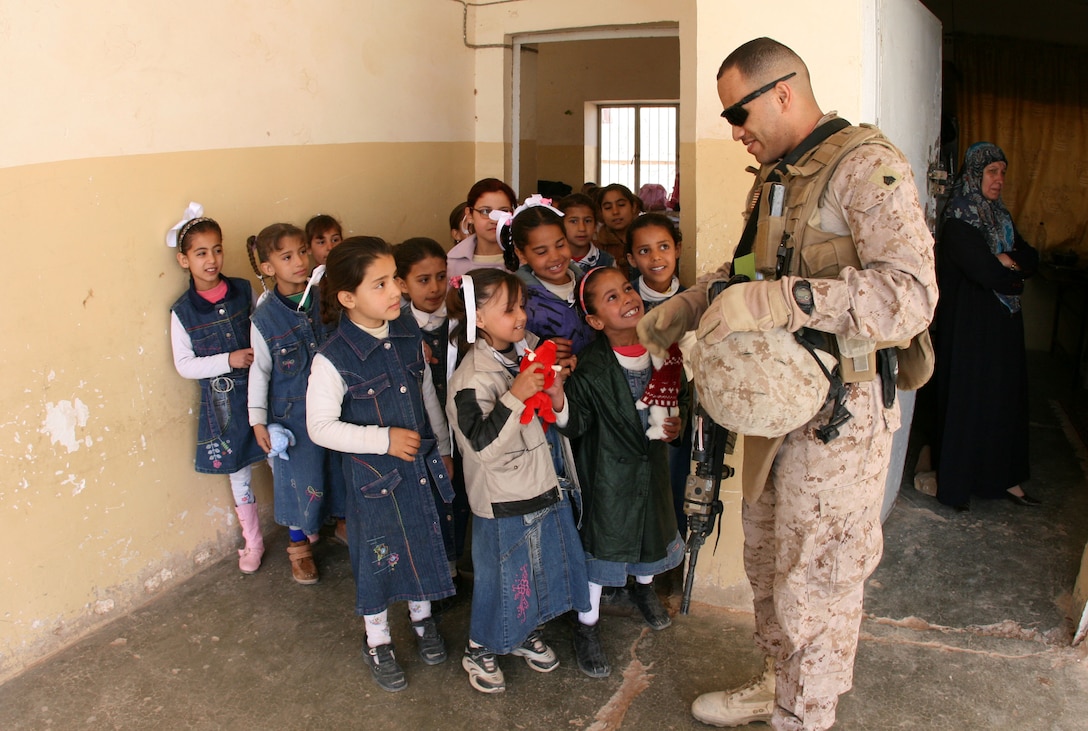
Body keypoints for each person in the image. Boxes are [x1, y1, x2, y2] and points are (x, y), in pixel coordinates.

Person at [638, 38, 937, 730]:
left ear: (783, 91)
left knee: (819, 579)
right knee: (770, 563)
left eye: (738, 113)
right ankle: (778, 684)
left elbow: (911, 296)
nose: (734, 131)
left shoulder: (867, 169)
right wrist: (692, 299)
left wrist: (790, 301)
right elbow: (747, 269)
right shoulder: (775, 178)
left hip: (842, 418)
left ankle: (806, 713)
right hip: (777, 409)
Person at [306, 237, 456, 693]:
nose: (396, 291)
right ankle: (378, 639)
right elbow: (320, 427)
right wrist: (382, 439)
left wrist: (444, 448)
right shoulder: (332, 358)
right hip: (374, 484)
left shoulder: (409, 337)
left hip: (420, 469)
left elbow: (429, 395)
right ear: (349, 298)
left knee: (424, 538)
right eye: (381, 284)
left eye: (395, 279)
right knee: (377, 558)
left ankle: (423, 620)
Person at [445, 268, 590, 694]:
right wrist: (517, 394)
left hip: (543, 482)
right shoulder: (470, 380)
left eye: (522, 305)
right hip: (502, 499)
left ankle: (522, 632)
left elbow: (558, 420)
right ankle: (480, 647)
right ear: (478, 318)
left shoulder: (525, 352)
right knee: (501, 576)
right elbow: (483, 449)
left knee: (536, 567)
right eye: (509, 309)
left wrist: (557, 393)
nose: (522, 316)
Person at [557, 266, 688, 679]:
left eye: (627, 289)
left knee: (651, 537)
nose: (627, 298)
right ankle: (586, 626)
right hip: (608, 478)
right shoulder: (591, 368)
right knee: (603, 551)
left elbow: (682, 398)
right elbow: (574, 425)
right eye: (611, 297)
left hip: (651, 471)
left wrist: (678, 424)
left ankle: (643, 591)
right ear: (595, 321)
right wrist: (558, 395)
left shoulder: (664, 352)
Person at [932, 142, 1039, 510]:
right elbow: (983, 271)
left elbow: (1031, 257)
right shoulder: (960, 217)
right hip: (970, 329)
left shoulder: (1000, 216)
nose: (999, 180)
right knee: (971, 400)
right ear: (975, 175)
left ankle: (1004, 480)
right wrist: (1010, 271)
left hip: (1004, 325)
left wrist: (1007, 261)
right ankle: (961, 485)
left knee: (1005, 400)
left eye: (1003, 172)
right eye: (992, 172)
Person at [168, 212, 267, 574]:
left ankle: (300, 534)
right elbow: (185, 364)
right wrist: (230, 358)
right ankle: (253, 541)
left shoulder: (244, 290)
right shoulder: (182, 312)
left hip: (261, 394)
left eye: (217, 250)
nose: (211, 260)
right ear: (184, 260)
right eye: (200, 253)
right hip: (223, 405)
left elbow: (264, 327)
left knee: (279, 457)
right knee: (238, 473)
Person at [246, 223, 328, 584]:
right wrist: (258, 421)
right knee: (297, 479)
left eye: (302, 253)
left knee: (336, 468)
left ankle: (340, 524)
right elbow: (260, 372)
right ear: (268, 268)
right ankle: (298, 547)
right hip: (291, 417)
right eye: (287, 256)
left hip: (331, 405)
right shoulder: (264, 319)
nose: (299, 262)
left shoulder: (325, 298)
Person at [393, 237, 470, 585]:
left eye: (441, 276)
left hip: (462, 427)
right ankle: (437, 573)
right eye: (423, 280)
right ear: (402, 284)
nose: (436, 287)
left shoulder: (460, 320)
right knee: (431, 502)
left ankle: (459, 565)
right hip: (422, 429)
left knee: (462, 497)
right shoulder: (397, 328)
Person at [626, 213, 694, 534]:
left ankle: (667, 561)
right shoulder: (624, 302)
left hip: (677, 416)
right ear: (630, 258)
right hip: (629, 414)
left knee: (671, 486)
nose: (656, 257)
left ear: (677, 249)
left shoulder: (693, 303)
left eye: (664, 247)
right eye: (644, 251)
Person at [499, 197, 596, 359]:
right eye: (541, 252)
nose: (555, 257)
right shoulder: (518, 301)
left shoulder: (589, 284)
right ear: (521, 253)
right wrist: (539, 350)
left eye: (560, 245)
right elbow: (510, 349)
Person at [447, 178, 517, 281]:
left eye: (503, 211)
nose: (494, 220)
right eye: (485, 211)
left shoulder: (524, 256)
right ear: (470, 215)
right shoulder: (453, 262)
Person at [557, 193, 616, 270]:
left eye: (588, 221)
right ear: (561, 225)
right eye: (574, 221)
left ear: (595, 226)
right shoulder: (554, 260)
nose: (582, 228)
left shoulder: (607, 262)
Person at [595, 183, 641, 278]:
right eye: (608, 207)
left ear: (633, 207)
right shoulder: (596, 248)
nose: (615, 212)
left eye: (621, 205)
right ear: (601, 212)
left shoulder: (647, 240)